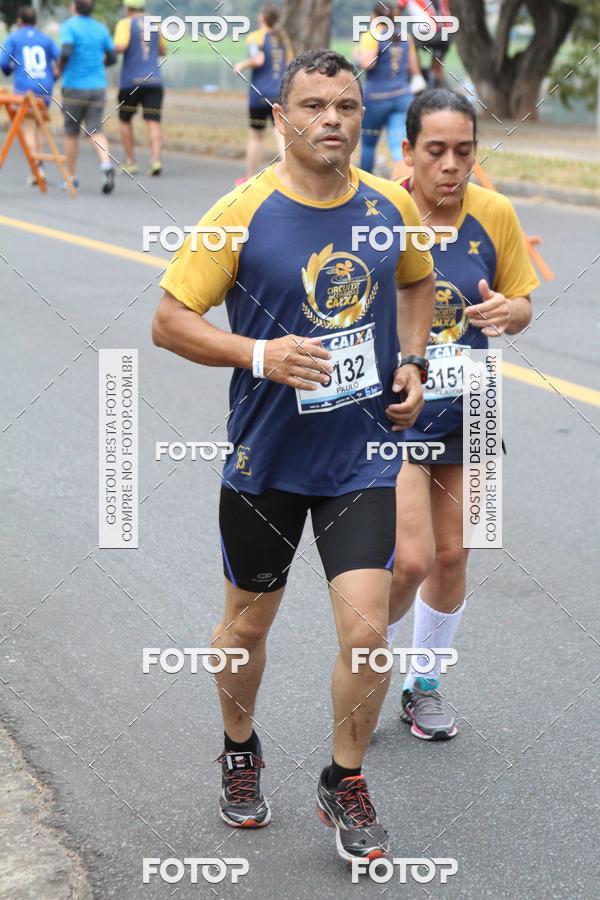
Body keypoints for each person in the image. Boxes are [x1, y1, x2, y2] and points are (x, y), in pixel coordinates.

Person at [152, 49, 435, 862]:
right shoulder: (240, 211)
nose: (331, 120)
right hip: (266, 461)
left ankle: (344, 777)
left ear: (362, 115)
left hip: (361, 460)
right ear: (281, 117)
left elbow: (417, 280)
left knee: (369, 631)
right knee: (247, 626)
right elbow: (170, 321)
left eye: (346, 105)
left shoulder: (389, 204)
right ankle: (240, 749)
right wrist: (260, 355)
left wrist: (414, 361)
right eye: (313, 105)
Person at [386, 89, 539, 740]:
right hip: (396, 408)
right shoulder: (379, 212)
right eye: (436, 151)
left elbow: (522, 302)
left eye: (464, 151)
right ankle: (364, 660)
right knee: (410, 560)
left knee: (453, 555)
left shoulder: (494, 212)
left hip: (472, 402)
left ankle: (423, 684)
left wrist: (509, 311)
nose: (451, 165)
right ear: (408, 151)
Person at [355, 0, 423, 174]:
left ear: (374, 17)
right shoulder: (405, 36)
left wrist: (357, 55)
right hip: (402, 97)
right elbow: (414, 68)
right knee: (399, 143)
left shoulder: (372, 34)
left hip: (376, 98)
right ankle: (403, 181)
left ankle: (365, 181)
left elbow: (368, 63)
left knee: (368, 143)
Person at [57, 0, 117, 193]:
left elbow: (66, 51)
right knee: (95, 129)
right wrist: (98, 65)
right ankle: (106, 164)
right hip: (98, 86)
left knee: (71, 132)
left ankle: (71, 177)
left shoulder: (69, 26)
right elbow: (113, 56)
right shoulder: (100, 28)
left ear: (74, 7)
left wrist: (58, 69)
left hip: (74, 86)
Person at [233, 4, 292, 184]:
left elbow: (258, 60)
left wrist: (241, 65)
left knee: (256, 136)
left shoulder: (255, 37)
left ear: (262, 18)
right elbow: (289, 65)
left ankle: (250, 178)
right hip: (279, 94)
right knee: (280, 133)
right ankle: (291, 175)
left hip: (259, 95)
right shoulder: (283, 39)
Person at [0, 6, 59, 183]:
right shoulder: (46, 38)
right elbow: (60, 58)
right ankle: (40, 167)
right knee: (40, 124)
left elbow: (3, 61)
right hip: (44, 87)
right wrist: (54, 76)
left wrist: (9, 70)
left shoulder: (14, 37)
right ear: (35, 21)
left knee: (28, 126)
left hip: (25, 88)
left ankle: (35, 170)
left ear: (19, 21)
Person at [113, 0, 166, 176]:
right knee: (154, 121)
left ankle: (130, 161)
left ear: (127, 8)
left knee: (125, 120)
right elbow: (163, 50)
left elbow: (120, 46)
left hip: (131, 81)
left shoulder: (125, 24)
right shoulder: (156, 23)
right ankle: (155, 160)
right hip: (154, 80)